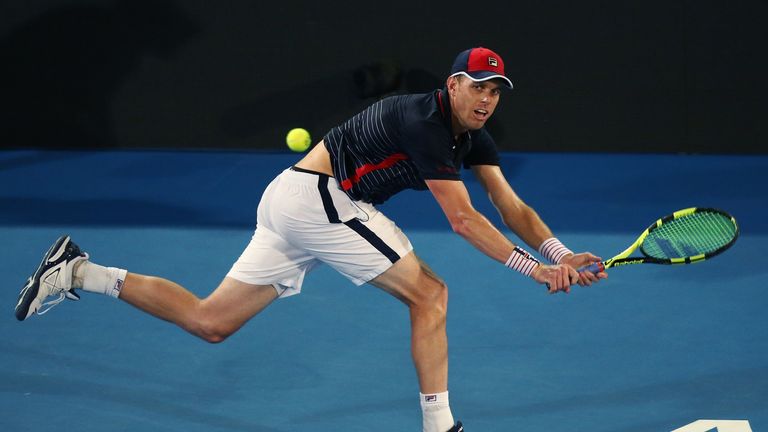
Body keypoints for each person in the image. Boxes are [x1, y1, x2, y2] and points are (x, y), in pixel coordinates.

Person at [16, 47, 606, 432]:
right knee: (431, 295)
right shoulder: (423, 121)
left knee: (210, 321)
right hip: (319, 200)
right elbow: (464, 219)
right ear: (452, 85)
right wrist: (535, 271)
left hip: (294, 200)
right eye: (477, 87)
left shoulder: (472, 135)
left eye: (495, 91)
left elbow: (508, 204)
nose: (486, 100)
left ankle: (77, 272)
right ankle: (441, 427)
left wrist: (558, 252)